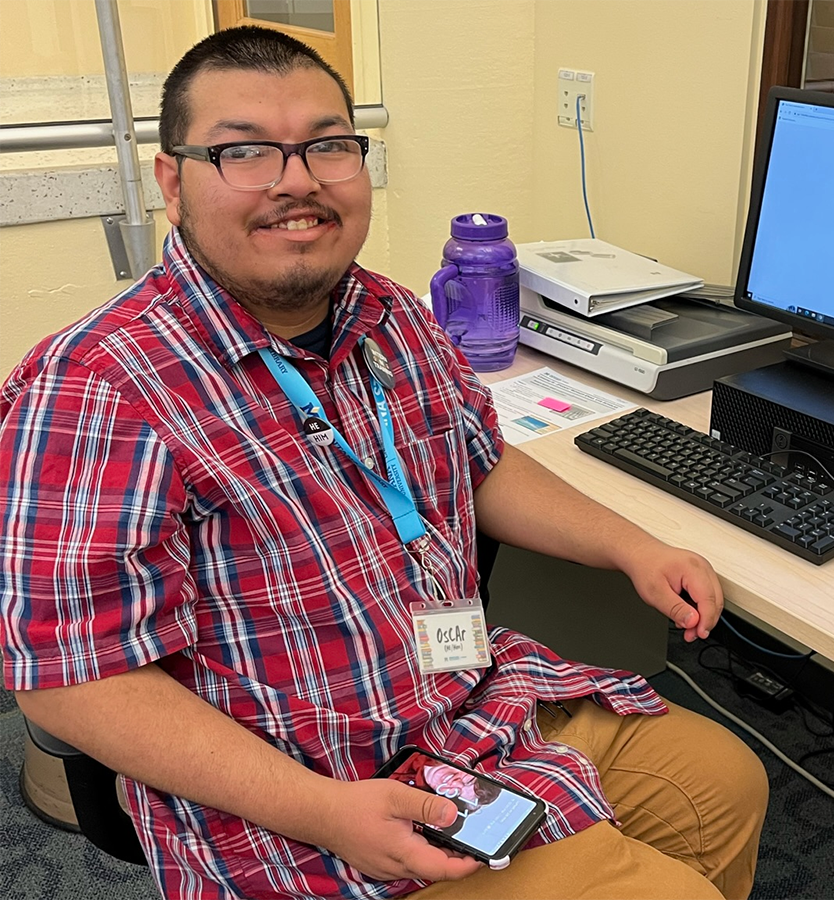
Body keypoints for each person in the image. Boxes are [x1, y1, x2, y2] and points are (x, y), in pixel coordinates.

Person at [0, 26, 768, 900]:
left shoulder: (391, 314)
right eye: (244, 150)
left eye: (328, 145)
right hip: (300, 792)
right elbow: (69, 684)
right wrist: (324, 811)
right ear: (173, 181)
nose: (298, 180)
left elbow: (478, 464)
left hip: (465, 709)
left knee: (722, 786)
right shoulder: (99, 389)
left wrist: (634, 546)